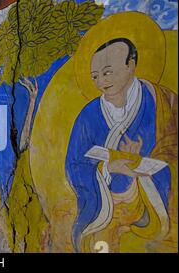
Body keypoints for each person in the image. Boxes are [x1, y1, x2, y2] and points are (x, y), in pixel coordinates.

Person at [66, 38, 177, 252]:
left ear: (131, 65)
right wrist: (107, 168)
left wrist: (143, 162)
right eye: (95, 76)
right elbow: (74, 164)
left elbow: (173, 148)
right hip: (105, 209)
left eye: (107, 72)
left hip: (152, 209)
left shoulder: (163, 101)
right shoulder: (88, 115)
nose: (101, 82)